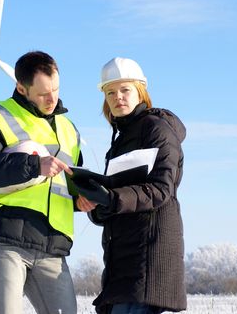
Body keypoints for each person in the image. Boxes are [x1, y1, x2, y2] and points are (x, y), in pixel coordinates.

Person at [0, 51, 93, 314]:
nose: (52, 98)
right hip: (5, 237)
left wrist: (82, 200)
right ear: (21, 88)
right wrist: (35, 165)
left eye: (56, 89)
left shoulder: (69, 129)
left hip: (52, 245)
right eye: (43, 93)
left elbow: (65, 184)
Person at [72, 57, 187, 314]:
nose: (118, 97)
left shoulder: (158, 129)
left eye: (125, 90)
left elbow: (160, 189)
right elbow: (118, 197)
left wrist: (110, 198)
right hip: (120, 256)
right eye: (110, 92)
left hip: (147, 253)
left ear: (141, 92)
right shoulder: (121, 139)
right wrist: (95, 204)